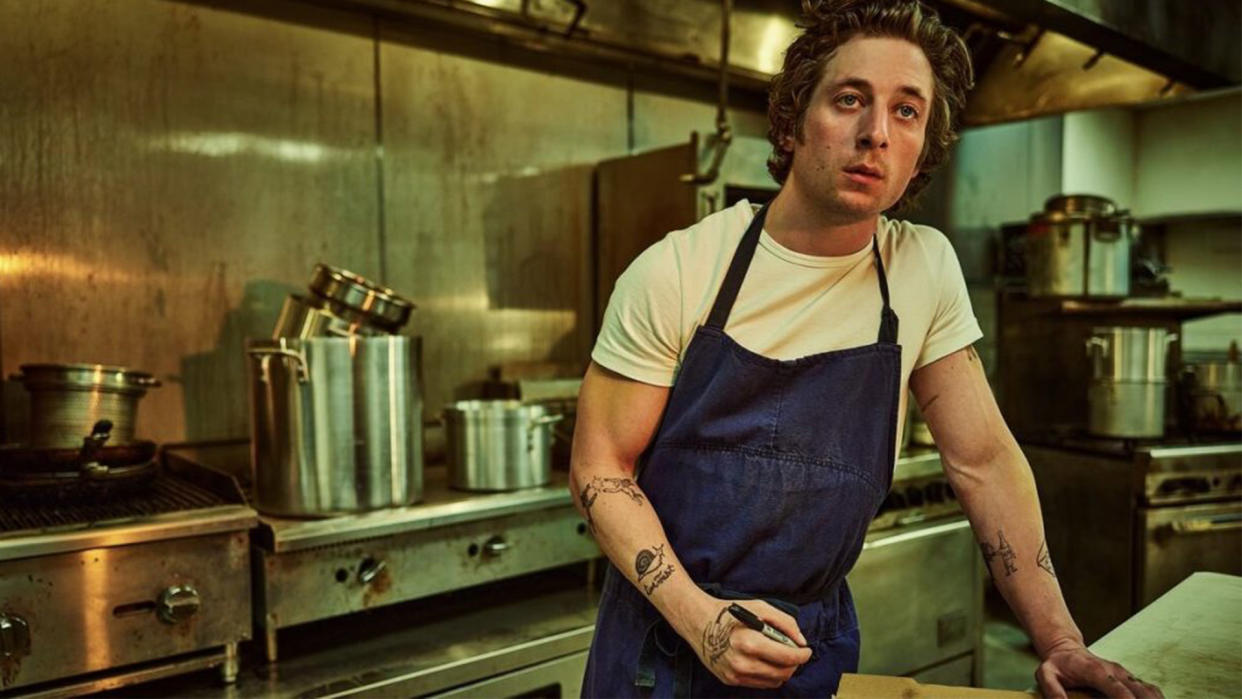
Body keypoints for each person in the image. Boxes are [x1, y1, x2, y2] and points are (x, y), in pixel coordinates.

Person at [570, 1, 1161, 697]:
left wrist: (1061, 639)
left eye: (907, 111)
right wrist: (701, 619)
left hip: (807, 655)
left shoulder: (921, 269)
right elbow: (600, 467)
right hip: (662, 654)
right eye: (850, 99)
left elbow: (984, 460)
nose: (875, 132)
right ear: (792, 122)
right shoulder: (679, 270)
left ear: (924, 147)